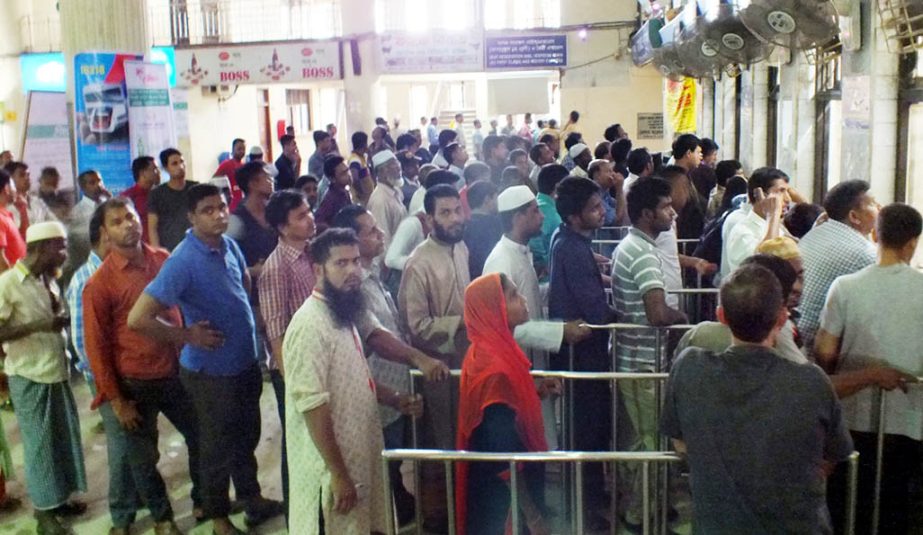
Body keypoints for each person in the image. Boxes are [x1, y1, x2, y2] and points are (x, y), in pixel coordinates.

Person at [128, 184, 283, 535]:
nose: (219, 215)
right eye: (208, 210)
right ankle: (218, 519)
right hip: (210, 374)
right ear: (191, 217)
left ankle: (251, 498)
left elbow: (242, 285)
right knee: (216, 446)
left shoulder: (228, 245)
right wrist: (187, 335)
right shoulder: (182, 261)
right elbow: (138, 318)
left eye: (223, 207)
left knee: (247, 437)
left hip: (243, 364)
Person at [661, 263, 853, 533]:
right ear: (782, 318)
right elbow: (831, 455)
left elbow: (680, 443)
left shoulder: (689, 368)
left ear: (722, 317)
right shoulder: (812, 382)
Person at [82, 198, 199, 535]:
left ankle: (204, 499)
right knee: (143, 459)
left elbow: (181, 309)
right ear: (105, 233)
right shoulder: (99, 284)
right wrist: (116, 400)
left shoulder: (163, 261)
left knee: (202, 437)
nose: (128, 224)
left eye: (131, 216)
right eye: (117, 221)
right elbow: (97, 347)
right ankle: (163, 519)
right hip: (135, 383)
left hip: (176, 373)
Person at [331, 206, 451, 526]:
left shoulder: (374, 275)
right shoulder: (353, 288)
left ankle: (399, 512)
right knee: (381, 466)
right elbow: (376, 336)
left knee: (394, 465)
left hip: (395, 387)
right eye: (371, 231)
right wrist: (417, 357)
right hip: (377, 391)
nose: (380, 234)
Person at [814, 203, 923, 534]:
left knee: (850, 508)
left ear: (876, 235)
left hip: (852, 416)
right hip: (910, 419)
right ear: (913, 243)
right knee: (897, 509)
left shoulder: (845, 287)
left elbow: (825, 351)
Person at [483, 185, 591, 447]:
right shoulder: (500, 260)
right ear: (518, 217)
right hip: (515, 366)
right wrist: (560, 331)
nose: (542, 216)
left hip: (532, 360)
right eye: (535, 212)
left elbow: (528, 301)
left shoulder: (520, 251)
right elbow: (501, 327)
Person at [0, 221, 87, 534]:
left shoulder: (46, 280)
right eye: (60, 246)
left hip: (55, 370)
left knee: (61, 442)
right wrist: (39, 326)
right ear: (41, 247)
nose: (64, 253)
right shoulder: (8, 283)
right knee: (39, 447)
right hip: (30, 374)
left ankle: (59, 498)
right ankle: (44, 514)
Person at [611, 176, 688, 529]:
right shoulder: (642, 253)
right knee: (649, 440)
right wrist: (681, 317)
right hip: (642, 363)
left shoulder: (631, 245)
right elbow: (657, 314)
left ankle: (647, 502)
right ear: (645, 213)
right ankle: (640, 514)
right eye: (665, 207)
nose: (672, 213)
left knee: (640, 436)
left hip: (633, 358)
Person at [455, 273, 557, 535]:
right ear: (492, 308)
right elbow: (504, 457)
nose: (522, 300)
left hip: (501, 485)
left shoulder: (492, 350)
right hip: (502, 496)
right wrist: (533, 516)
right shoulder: (493, 368)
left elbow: (507, 410)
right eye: (512, 296)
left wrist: (535, 391)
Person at [398, 184, 470, 531]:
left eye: (457, 209)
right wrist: (461, 323)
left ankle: (463, 510)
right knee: (441, 447)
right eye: (445, 212)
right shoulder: (418, 263)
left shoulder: (462, 249)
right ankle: (440, 519)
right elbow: (415, 326)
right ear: (428, 218)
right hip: (437, 371)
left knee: (463, 439)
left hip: (465, 362)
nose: (455, 218)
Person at [548, 176, 617, 528]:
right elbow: (594, 310)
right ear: (575, 216)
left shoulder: (568, 238)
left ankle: (590, 494)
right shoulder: (572, 248)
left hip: (581, 350)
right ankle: (585, 510)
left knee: (588, 425)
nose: (603, 211)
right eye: (594, 208)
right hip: (583, 352)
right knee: (587, 427)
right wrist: (622, 313)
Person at [259, 189, 317, 512]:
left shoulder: (311, 254)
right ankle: (298, 516)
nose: (310, 219)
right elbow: (276, 331)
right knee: (296, 443)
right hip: (293, 369)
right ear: (283, 227)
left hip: (317, 360)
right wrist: (290, 379)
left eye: (309, 212)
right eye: (301, 216)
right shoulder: (276, 267)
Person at [675, 253, 808, 365]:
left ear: (721, 314)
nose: (798, 288)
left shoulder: (697, 337)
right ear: (782, 317)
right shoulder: (807, 375)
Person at [797, 180, 879, 355]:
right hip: (814, 350)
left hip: (796, 334)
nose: (879, 207)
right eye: (872, 203)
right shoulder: (864, 254)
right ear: (854, 217)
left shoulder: (816, 233)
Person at [722, 166, 791, 276]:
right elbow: (765, 265)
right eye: (781, 191)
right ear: (761, 195)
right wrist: (773, 214)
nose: (788, 199)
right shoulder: (742, 231)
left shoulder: (770, 226)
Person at [148, 148, 196, 251]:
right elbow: (152, 228)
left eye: (182, 162)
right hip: (170, 250)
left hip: (195, 247)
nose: (180, 166)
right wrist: (157, 252)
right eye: (174, 163)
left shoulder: (195, 189)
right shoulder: (156, 194)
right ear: (166, 168)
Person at [528, 164, 568, 279]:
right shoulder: (543, 208)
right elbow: (534, 241)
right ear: (558, 186)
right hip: (548, 277)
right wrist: (547, 264)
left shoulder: (551, 205)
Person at [366, 150, 407, 253]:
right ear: (381, 172)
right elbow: (383, 238)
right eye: (393, 165)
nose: (398, 168)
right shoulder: (380, 200)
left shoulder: (396, 190)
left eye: (397, 163)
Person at [5, 161, 56, 237]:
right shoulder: (7, 208)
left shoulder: (38, 202)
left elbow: (54, 223)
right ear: (10, 180)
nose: (27, 178)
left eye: (28, 174)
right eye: (22, 175)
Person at [463, 180, 502, 279]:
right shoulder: (496, 225)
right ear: (487, 199)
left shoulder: (463, 227)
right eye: (496, 197)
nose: (498, 202)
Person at [122, 156, 161, 243]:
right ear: (143, 173)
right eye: (155, 169)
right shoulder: (127, 198)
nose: (159, 173)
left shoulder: (161, 194)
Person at [314, 155, 352, 230]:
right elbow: (318, 222)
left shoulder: (344, 192)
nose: (348, 176)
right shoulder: (330, 199)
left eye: (347, 171)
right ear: (332, 179)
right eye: (343, 174)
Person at [0, 169, 25, 271]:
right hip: (12, 283)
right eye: (13, 186)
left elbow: (22, 237)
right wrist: (14, 284)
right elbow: (1, 262)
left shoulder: (5, 215)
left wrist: (23, 211)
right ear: (6, 188)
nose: (16, 190)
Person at [212, 138, 246, 209]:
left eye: (243, 149)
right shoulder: (226, 164)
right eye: (239, 149)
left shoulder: (244, 166)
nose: (242, 151)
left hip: (242, 202)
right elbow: (214, 180)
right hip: (230, 204)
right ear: (233, 150)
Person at [346, 131, 374, 206]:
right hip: (362, 200)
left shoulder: (361, 157)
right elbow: (354, 178)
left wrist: (370, 155)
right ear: (364, 144)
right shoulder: (355, 160)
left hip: (367, 197)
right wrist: (362, 194)